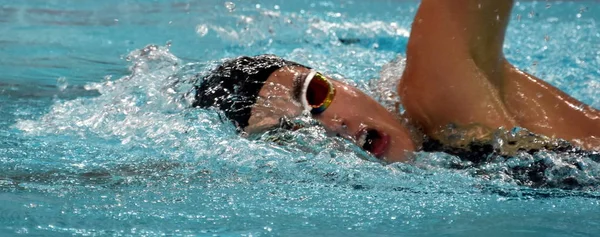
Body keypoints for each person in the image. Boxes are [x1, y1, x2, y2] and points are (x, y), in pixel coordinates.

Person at [193, 0, 600, 163]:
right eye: (292, 132)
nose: (332, 127)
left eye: (314, 95)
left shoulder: (434, 86)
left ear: (341, 82)